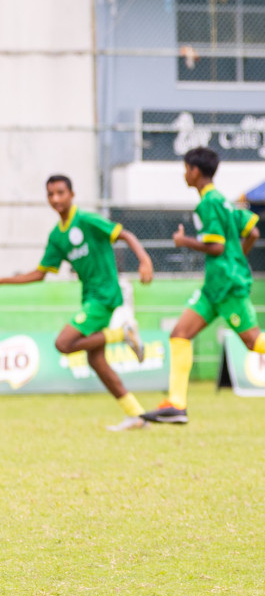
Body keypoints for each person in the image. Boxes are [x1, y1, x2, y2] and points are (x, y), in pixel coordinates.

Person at [142, 147, 265, 423]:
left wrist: (184, 241)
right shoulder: (225, 202)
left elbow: (216, 246)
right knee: (179, 334)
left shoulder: (208, 204)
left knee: (253, 340)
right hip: (215, 285)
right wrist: (237, 258)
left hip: (227, 286)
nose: (184, 174)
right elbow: (253, 232)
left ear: (195, 171)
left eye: (186, 169)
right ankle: (176, 405)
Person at [0, 175, 156, 430]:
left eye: (60, 192)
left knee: (63, 343)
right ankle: (137, 415)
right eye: (51, 194)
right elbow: (39, 274)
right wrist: (3, 280)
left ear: (72, 194)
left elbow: (125, 234)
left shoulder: (86, 220)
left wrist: (144, 260)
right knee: (97, 361)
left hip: (104, 295)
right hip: (90, 296)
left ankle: (121, 334)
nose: (56, 199)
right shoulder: (56, 236)